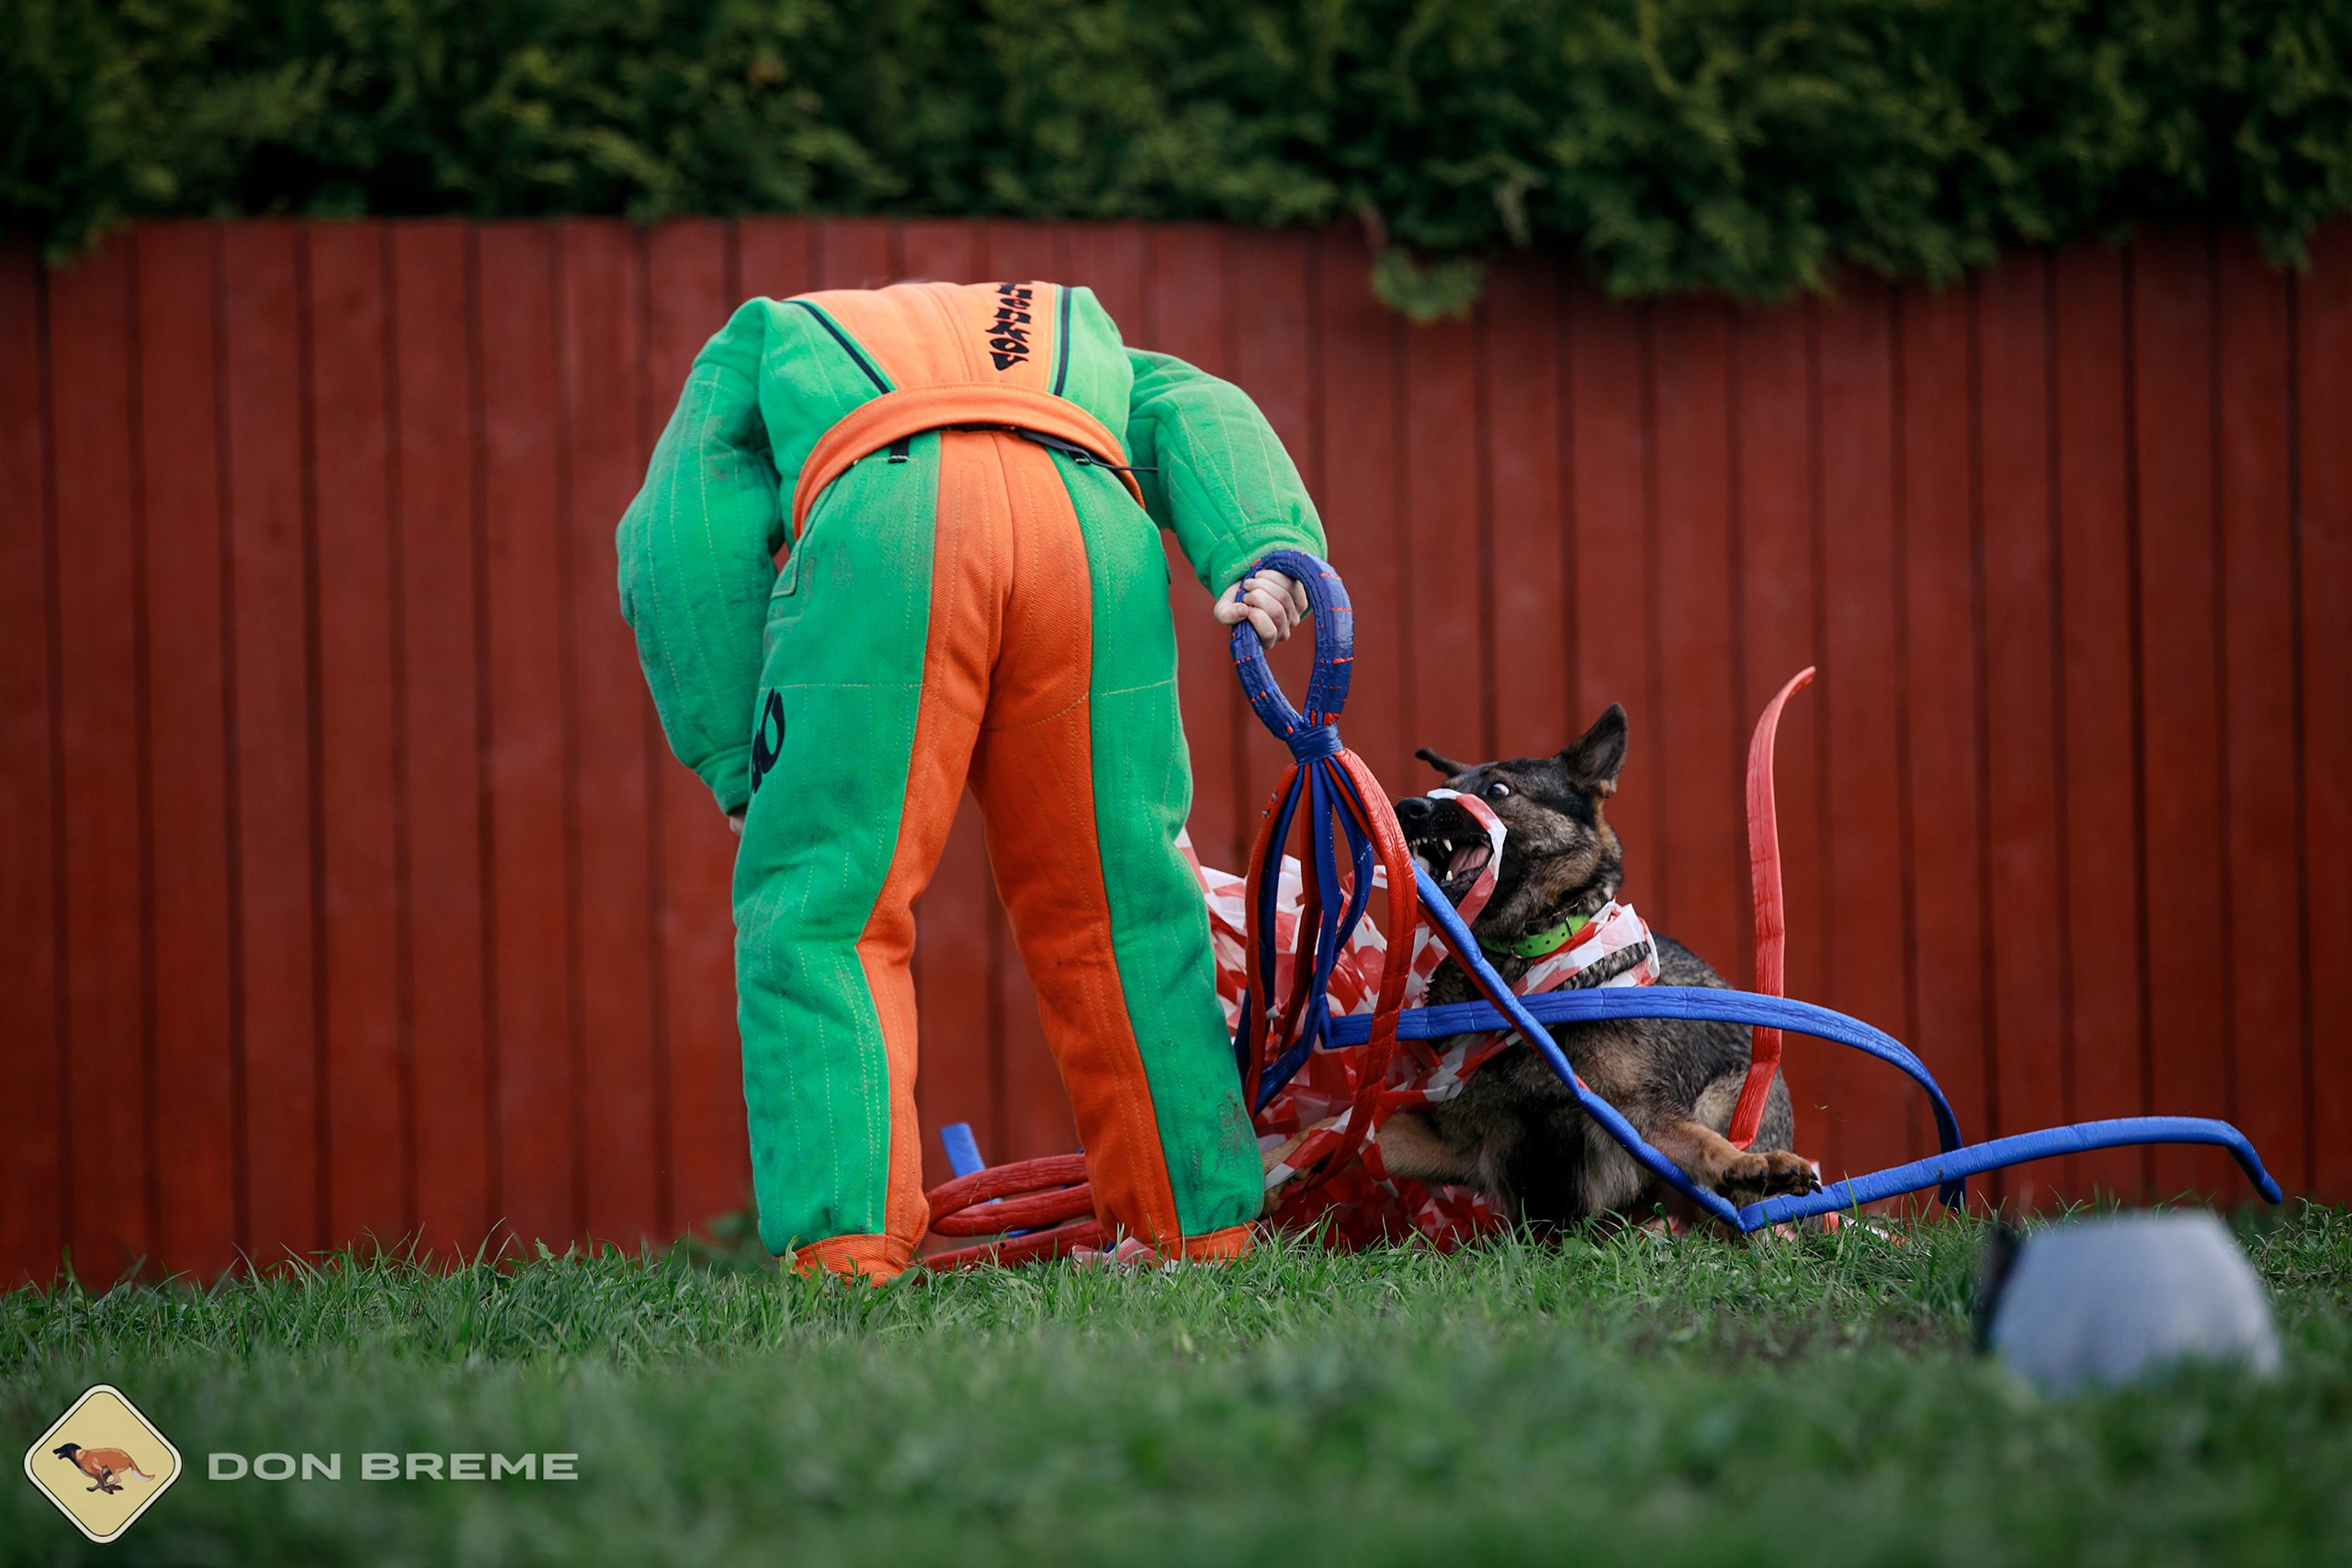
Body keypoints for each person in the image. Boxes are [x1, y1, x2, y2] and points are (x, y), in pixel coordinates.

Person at [617, 278, 1323, 1280]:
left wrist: (735, 755)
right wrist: (1263, 546)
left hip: (882, 528)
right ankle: (1197, 1231)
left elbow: (678, 528)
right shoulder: (1076, 319)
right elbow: (1192, 407)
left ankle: (848, 1254)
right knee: (1125, 909)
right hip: (1088, 523)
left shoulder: (765, 337)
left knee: (826, 914)